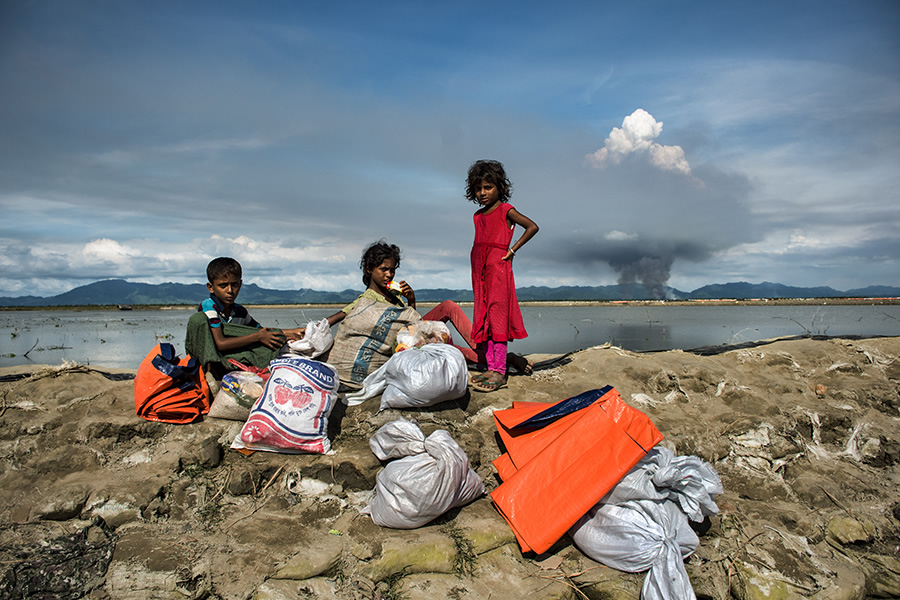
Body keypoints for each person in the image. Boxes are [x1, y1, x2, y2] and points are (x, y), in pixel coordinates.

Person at [325, 241, 531, 391]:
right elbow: (339, 317)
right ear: (369, 269)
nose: (389, 275)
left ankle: (493, 356)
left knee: (449, 306)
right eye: (384, 270)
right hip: (400, 347)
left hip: (412, 335)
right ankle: (504, 359)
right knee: (453, 349)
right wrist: (307, 330)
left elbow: (412, 320)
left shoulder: (394, 293)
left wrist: (411, 299)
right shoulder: (365, 300)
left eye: (392, 270)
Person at [466, 159, 539, 392]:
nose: (482, 193)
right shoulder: (477, 216)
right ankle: (490, 367)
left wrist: (512, 249)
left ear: (499, 186)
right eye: (478, 188)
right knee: (484, 315)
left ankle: (499, 371)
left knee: (497, 315)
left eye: (488, 187)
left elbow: (532, 226)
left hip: (498, 266)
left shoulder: (506, 210)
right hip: (479, 267)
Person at [185, 257, 303, 377]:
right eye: (223, 286)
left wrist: (295, 331)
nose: (230, 290)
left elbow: (261, 331)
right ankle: (210, 374)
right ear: (211, 287)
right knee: (198, 319)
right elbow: (220, 343)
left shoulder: (239, 311)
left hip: (229, 356)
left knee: (266, 341)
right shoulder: (209, 307)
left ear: (240, 284)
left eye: (234, 285)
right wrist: (257, 337)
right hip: (212, 356)